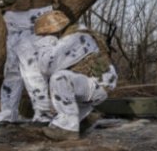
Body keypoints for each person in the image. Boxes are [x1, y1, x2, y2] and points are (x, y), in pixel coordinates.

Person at [31, 10, 118, 141]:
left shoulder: (74, 39)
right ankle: (84, 119)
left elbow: (46, 66)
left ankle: (67, 129)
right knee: (53, 123)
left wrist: (45, 43)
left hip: (96, 86)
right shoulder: (79, 34)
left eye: (44, 35)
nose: (42, 37)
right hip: (94, 84)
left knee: (60, 78)